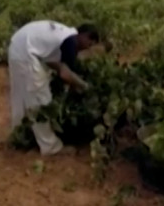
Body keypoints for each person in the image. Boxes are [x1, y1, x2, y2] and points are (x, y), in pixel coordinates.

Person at [7, 20, 99, 155]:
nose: (87, 48)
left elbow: (53, 62)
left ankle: (19, 134)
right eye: (89, 43)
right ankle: (51, 147)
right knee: (41, 100)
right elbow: (65, 73)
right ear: (84, 35)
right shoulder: (70, 42)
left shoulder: (65, 35)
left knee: (21, 94)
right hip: (26, 52)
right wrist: (85, 86)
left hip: (18, 47)